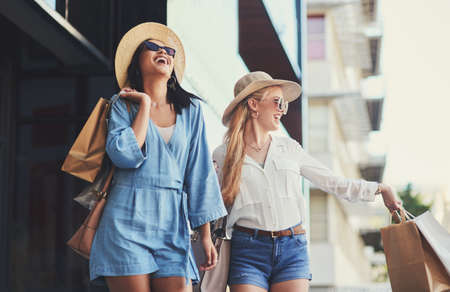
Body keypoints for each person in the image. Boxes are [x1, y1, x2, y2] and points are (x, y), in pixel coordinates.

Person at [212, 71, 402, 292]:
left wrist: (379, 188)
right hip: (247, 250)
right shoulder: (223, 154)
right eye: (278, 102)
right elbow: (209, 204)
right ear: (254, 104)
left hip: (292, 249)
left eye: (284, 104)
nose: (282, 110)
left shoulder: (289, 149)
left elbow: (332, 182)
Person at [89, 22, 227, 292]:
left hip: (172, 224)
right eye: (152, 47)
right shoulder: (122, 104)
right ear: (137, 62)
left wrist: (206, 236)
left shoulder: (192, 110)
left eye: (168, 50)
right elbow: (125, 156)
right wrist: (142, 105)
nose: (163, 51)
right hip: (125, 220)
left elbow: (200, 173)